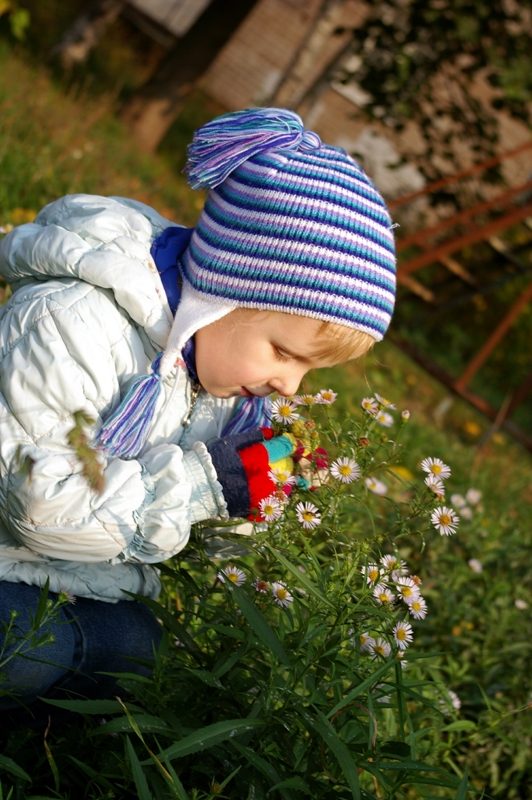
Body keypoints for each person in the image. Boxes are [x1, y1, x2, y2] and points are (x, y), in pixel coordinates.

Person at [0, 108, 396, 724]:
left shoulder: (216, 373)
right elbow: (37, 508)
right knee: (23, 654)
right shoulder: (69, 321)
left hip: (75, 581)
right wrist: (204, 481)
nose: (289, 385)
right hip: (12, 556)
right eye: (284, 353)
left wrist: (249, 500)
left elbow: (180, 538)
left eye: (309, 372)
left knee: (146, 658)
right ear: (222, 290)